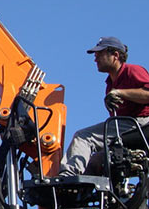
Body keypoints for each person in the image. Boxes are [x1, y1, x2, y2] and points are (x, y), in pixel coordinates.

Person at [59, 36, 149, 177]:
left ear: (115, 55)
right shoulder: (110, 84)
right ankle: (77, 192)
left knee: (84, 136)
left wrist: (120, 92)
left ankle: (68, 175)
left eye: (100, 54)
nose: (96, 59)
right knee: (97, 160)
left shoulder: (132, 71)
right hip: (126, 127)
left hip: (141, 123)